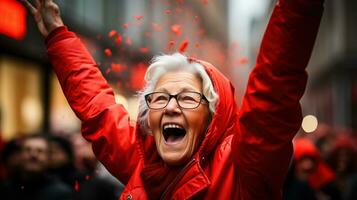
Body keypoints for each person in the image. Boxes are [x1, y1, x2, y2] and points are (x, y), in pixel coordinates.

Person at [22, 0, 325, 199]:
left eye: (187, 98)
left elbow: (274, 86)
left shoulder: (242, 166)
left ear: (212, 117)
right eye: (159, 98)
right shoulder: (142, 159)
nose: (169, 107)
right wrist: (58, 37)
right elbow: (98, 108)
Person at [0, 134, 74, 200]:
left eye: (40, 151)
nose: (33, 155)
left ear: (49, 158)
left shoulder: (61, 193)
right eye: (28, 150)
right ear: (19, 155)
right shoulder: (5, 189)